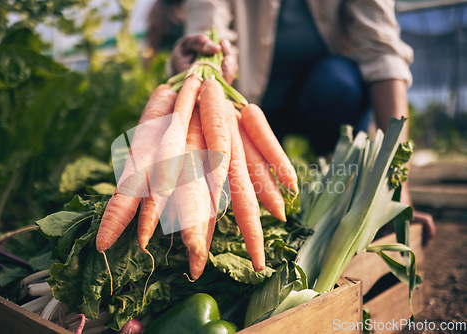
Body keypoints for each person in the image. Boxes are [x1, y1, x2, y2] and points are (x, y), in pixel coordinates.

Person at [170, 0, 435, 245]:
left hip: (323, 97)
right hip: (246, 106)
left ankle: (343, 188)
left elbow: (383, 53)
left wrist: (395, 185)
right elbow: (208, 26)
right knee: (225, 186)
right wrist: (202, 57)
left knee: (338, 86)